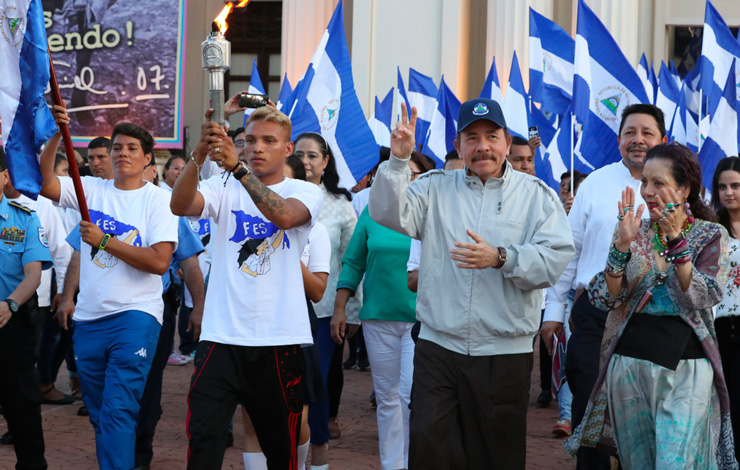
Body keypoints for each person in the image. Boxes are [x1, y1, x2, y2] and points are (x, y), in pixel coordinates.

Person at [369, 99, 574, 469]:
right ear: (459, 145)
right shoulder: (433, 188)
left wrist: (502, 257)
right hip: (438, 346)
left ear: (507, 144)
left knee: (494, 455)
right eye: (472, 137)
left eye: (492, 136)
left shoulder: (536, 197)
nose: (483, 146)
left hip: (504, 352)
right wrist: (398, 162)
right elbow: (387, 213)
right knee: (430, 447)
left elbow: (554, 260)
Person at [565, 142, 736, 469]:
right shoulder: (634, 231)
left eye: (659, 183)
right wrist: (620, 247)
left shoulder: (710, 235)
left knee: (674, 463)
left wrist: (677, 243)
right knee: (638, 463)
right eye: (644, 182)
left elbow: (701, 295)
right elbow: (605, 297)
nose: (647, 191)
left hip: (685, 369)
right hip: (629, 366)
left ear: (685, 189)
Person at [171, 106, 322, 470]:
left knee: (280, 452)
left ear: (287, 149)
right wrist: (198, 156)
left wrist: (237, 169)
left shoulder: (304, 190)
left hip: (277, 341)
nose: (257, 148)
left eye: (269, 141)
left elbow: (283, 216)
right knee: (204, 442)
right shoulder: (222, 186)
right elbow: (179, 205)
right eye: (250, 140)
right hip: (220, 339)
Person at [40, 105, 178, 470]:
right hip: (89, 320)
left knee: (119, 410)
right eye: (117, 147)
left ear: (148, 158)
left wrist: (105, 241)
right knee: (102, 415)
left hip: (136, 316)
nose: (122, 154)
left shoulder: (158, 200)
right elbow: (45, 183)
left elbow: (159, 262)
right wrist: (58, 133)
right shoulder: (91, 189)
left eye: (132, 148)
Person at [541, 103, 667, 469]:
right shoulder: (594, 183)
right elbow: (569, 252)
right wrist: (553, 314)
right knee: (590, 410)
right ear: (618, 140)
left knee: (642, 413)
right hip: (594, 315)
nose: (638, 140)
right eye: (630, 132)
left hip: (651, 317)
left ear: (662, 139)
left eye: (647, 133)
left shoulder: (675, 185)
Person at [331, 150, 432, 470]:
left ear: (423, 178)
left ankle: (412, 458)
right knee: (387, 398)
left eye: (410, 173)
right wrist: (340, 308)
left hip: (422, 321)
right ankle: (393, 464)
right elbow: (353, 261)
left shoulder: (433, 213)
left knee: (408, 393)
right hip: (378, 318)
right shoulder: (373, 213)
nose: (403, 179)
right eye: (395, 174)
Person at [134, 156, 205, 470]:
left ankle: (140, 456)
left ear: (151, 171)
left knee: (147, 386)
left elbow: (190, 264)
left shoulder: (167, 208)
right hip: (107, 312)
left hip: (155, 310)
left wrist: (198, 308)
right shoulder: (105, 207)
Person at [294, 131, 360, 457]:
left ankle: (317, 458)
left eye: (312, 155)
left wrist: (345, 311)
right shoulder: (273, 197)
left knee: (314, 386)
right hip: (277, 310)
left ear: (325, 162)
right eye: (299, 154)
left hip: (322, 312)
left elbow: (351, 261)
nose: (304, 162)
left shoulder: (340, 206)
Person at [0, 147, 52, 470]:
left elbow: (33, 273)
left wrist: (10, 303)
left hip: (9, 323)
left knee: (22, 404)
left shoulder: (25, 218)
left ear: (5, 176)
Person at [712, 156, 740, 462]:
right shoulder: (711, 229)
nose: (728, 192)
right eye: (722, 186)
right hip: (718, 327)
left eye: (735, 185)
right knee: (723, 402)